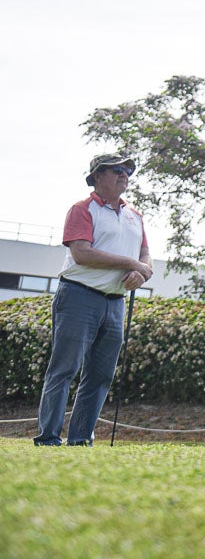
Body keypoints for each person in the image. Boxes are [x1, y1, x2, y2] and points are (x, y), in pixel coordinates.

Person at [33, 154, 153, 446]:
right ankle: (48, 438)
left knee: (100, 375)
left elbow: (145, 257)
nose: (124, 175)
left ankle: (80, 439)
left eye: (128, 171)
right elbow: (82, 253)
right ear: (97, 175)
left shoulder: (134, 216)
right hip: (78, 296)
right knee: (64, 369)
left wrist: (141, 274)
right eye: (117, 170)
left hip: (114, 303)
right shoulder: (82, 209)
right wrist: (131, 264)